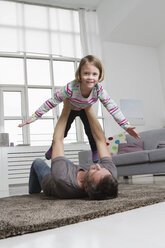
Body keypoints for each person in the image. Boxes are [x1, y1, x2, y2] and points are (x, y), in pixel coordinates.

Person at [19, 55, 140, 163]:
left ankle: (94, 150)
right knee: (64, 130)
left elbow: (112, 108)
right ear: (79, 74)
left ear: (100, 75)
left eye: (94, 74)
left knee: (90, 131)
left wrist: (126, 126)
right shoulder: (70, 88)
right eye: (86, 73)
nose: (90, 78)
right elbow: (51, 102)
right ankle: (53, 147)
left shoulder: (99, 90)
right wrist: (34, 117)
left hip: (84, 110)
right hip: (71, 108)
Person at [29, 100, 118, 200]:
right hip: (72, 168)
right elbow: (100, 140)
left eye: (94, 171)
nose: (97, 165)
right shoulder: (109, 174)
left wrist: (66, 109)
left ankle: (32, 193)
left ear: (86, 187)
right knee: (64, 161)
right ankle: (60, 162)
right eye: (101, 168)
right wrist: (88, 108)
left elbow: (57, 140)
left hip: (50, 179)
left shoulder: (62, 178)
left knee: (38, 162)